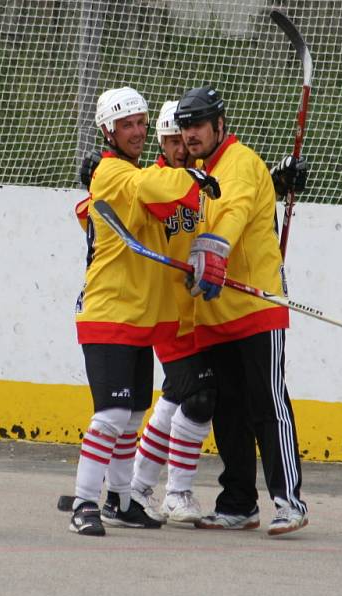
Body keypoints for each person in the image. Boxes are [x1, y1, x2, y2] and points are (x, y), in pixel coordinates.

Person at [70, 86, 221, 536]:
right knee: (112, 416)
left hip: (141, 317)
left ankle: (120, 499)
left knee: (133, 415)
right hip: (110, 312)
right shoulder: (116, 173)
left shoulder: (128, 172)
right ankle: (84, 503)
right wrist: (195, 176)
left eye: (139, 122)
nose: (136, 131)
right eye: (126, 125)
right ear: (108, 132)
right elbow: (149, 186)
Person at [173, 85, 309, 536]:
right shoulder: (191, 171)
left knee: (266, 403)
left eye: (198, 125)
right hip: (213, 310)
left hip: (255, 305)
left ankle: (289, 501)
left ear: (219, 125)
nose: (190, 134)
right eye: (185, 126)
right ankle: (238, 503)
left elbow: (234, 209)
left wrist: (215, 248)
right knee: (228, 411)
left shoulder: (241, 161)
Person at [130, 100, 215, 524]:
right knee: (198, 395)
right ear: (159, 143)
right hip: (168, 312)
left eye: (184, 139)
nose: (180, 147)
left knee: (179, 395)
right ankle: (177, 493)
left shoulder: (205, 180)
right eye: (170, 140)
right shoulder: (156, 181)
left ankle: (137, 486)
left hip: (203, 312)